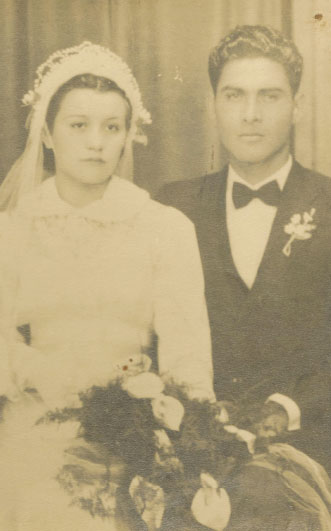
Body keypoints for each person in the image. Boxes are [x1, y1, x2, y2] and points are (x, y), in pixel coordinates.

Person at [0, 41, 214, 530]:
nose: (96, 142)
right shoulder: (11, 231)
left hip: (135, 432)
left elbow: (188, 359)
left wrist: (189, 439)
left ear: (127, 136)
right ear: (48, 135)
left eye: (111, 127)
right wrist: (51, 374)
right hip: (35, 433)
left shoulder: (166, 227)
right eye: (79, 125)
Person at [156, 25, 331, 472]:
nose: (250, 114)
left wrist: (290, 406)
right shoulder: (170, 207)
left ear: (297, 107)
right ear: (214, 105)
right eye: (234, 95)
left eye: (269, 96)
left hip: (315, 453)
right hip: (193, 461)